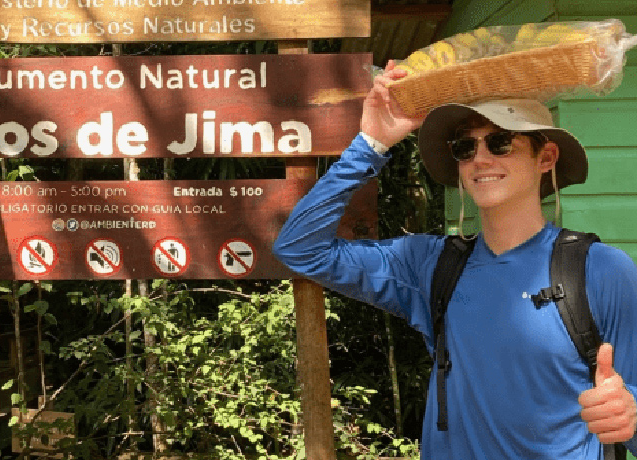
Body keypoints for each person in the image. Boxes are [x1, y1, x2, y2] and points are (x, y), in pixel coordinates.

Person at [272, 61, 637, 459]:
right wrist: (371, 143)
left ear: (546, 158)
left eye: (500, 142)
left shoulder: (601, 271)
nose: (480, 159)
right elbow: (301, 249)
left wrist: (629, 414)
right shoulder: (431, 265)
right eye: (466, 147)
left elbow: (628, 411)